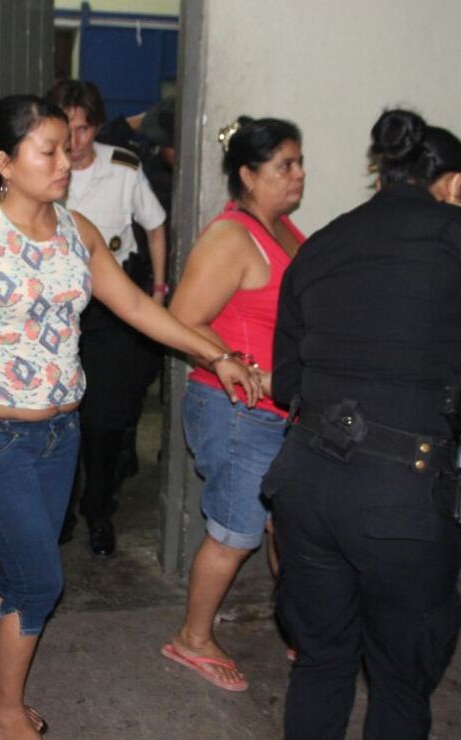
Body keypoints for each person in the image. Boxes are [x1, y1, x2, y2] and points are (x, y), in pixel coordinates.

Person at [0, 94, 260, 740]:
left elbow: (140, 311)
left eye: (67, 147)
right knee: (40, 578)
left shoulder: (75, 229)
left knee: (18, 568)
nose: (67, 160)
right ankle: (7, 717)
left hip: (59, 436)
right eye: (49, 150)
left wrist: (218, 353)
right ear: (6, 162)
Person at [265, 109, 461, 739]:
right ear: (454, 184)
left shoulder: (320, 242)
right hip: (405, 498)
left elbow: (288, 383)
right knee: (401, 683)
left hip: (306, 484)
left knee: (321, 662)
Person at [161, 116, 306, 692]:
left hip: (280, 409)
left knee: (286, 528)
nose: (297, 175)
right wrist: (241, 368)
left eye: (298, 163)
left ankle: (300, 626)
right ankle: (191, 638)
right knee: (236, 531)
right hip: (237, 410)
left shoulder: (286, 229)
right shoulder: (231, 238)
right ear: (247, 174)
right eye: (284, 166)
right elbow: (180, 321)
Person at [45, 79, 168, 556]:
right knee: (58, 415)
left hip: (113, 307)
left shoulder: (123, 169)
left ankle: (99, 511)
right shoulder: (42, 171)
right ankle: (60, 511)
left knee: (105, 419)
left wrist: (158, 291)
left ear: (95, 127)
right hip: (56, 308)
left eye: (83, 128)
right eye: (65, 128)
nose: (74, 141)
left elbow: (154, 227)